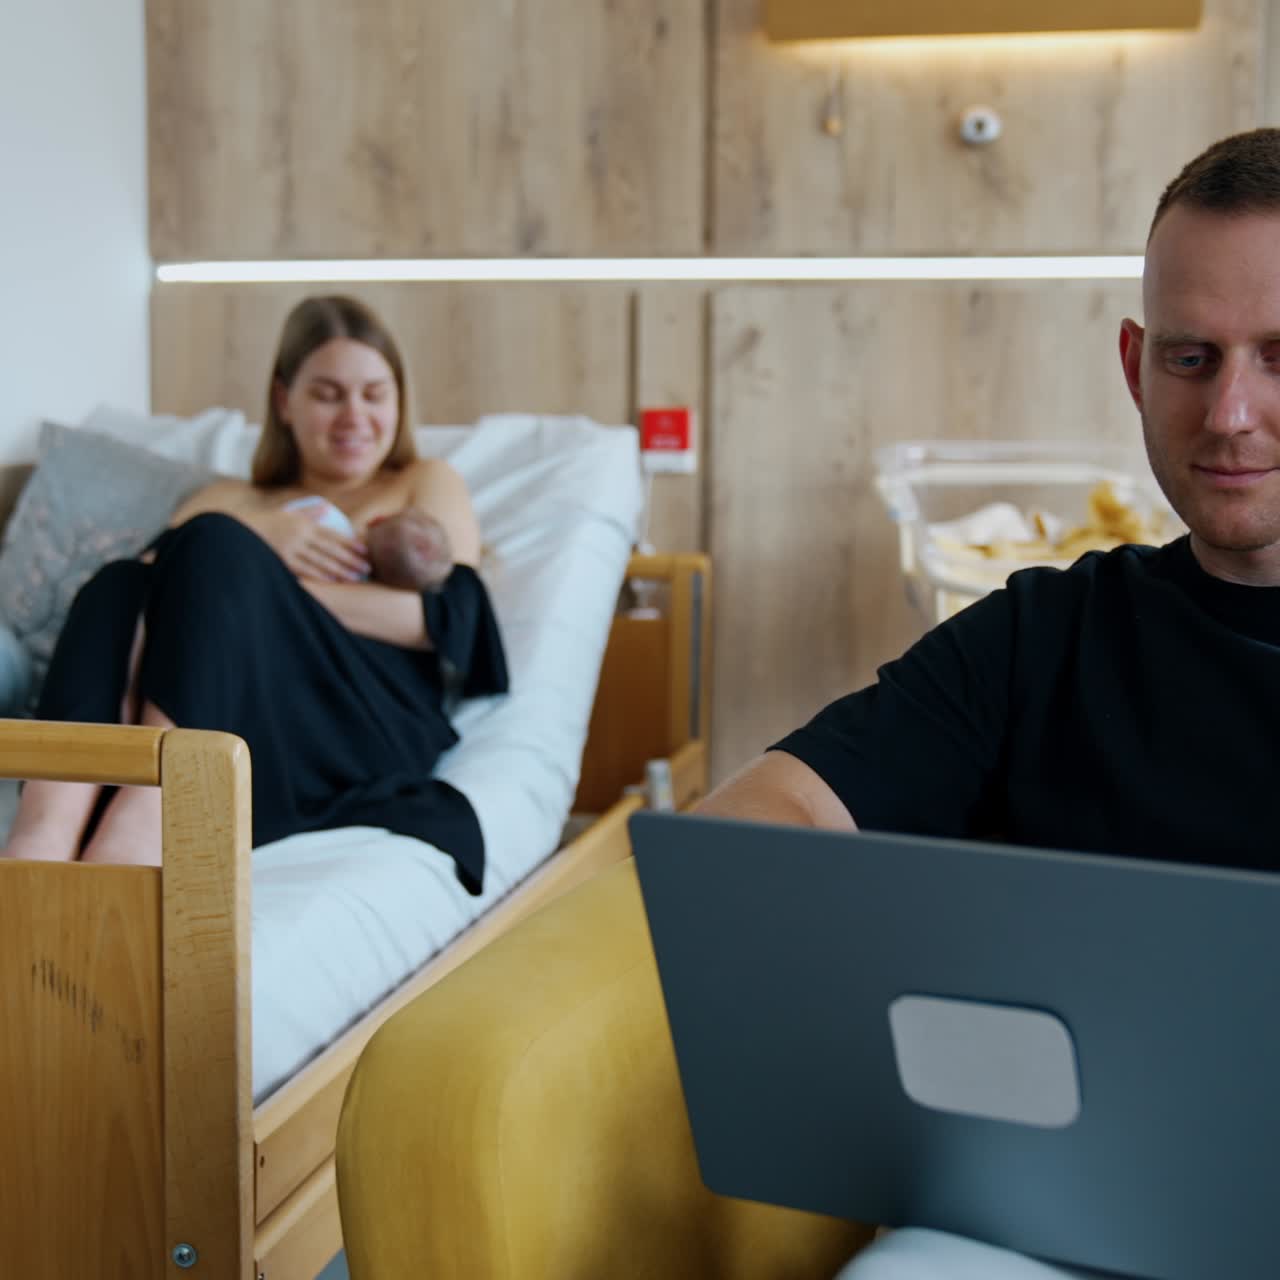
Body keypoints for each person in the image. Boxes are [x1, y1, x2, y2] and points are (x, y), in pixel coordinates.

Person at [697, 126, 1280, 1279]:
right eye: (1189, 358)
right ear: (1133, 366)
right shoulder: (1038, 635)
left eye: (1277, 355)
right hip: (1062, 1219)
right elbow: (752, 829)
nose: (1227, 413)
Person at [0, 294, 507, 892]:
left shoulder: (424, 481)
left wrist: (261, 586)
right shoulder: (235, 500)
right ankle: (43, 832)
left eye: (375, 394)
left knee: (215, 545)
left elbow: (445, 622)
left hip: (356, 715)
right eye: (328, 394)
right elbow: (146, 607)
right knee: (118, 582)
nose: (354, 416)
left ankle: (149, 816)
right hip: (233, 709)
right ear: (284, 400)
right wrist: (261, 541)